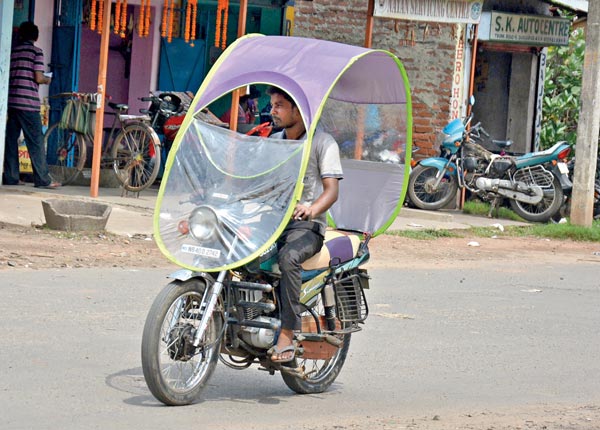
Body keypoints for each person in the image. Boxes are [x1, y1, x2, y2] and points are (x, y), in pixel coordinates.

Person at [266, 86, 343, 363]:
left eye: (279, 105)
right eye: (273, 105)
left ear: (298, 111)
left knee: (288, 257)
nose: (273, 111)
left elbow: (331, 191)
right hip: (272, 221)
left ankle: (288, 331)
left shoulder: (323, 143)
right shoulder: (274, 141)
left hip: (306, 227)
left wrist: (312, 209)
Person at [3, 21, 60, 189]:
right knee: (36, 141)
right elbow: (38, 77)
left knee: (11, 141)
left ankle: (11, 177)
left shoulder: (12, 52)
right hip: (28, 104)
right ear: (36, 37)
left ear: (20, 35)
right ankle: (42, 179)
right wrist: (48, 78)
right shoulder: (36, 52)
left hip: (13, 103)